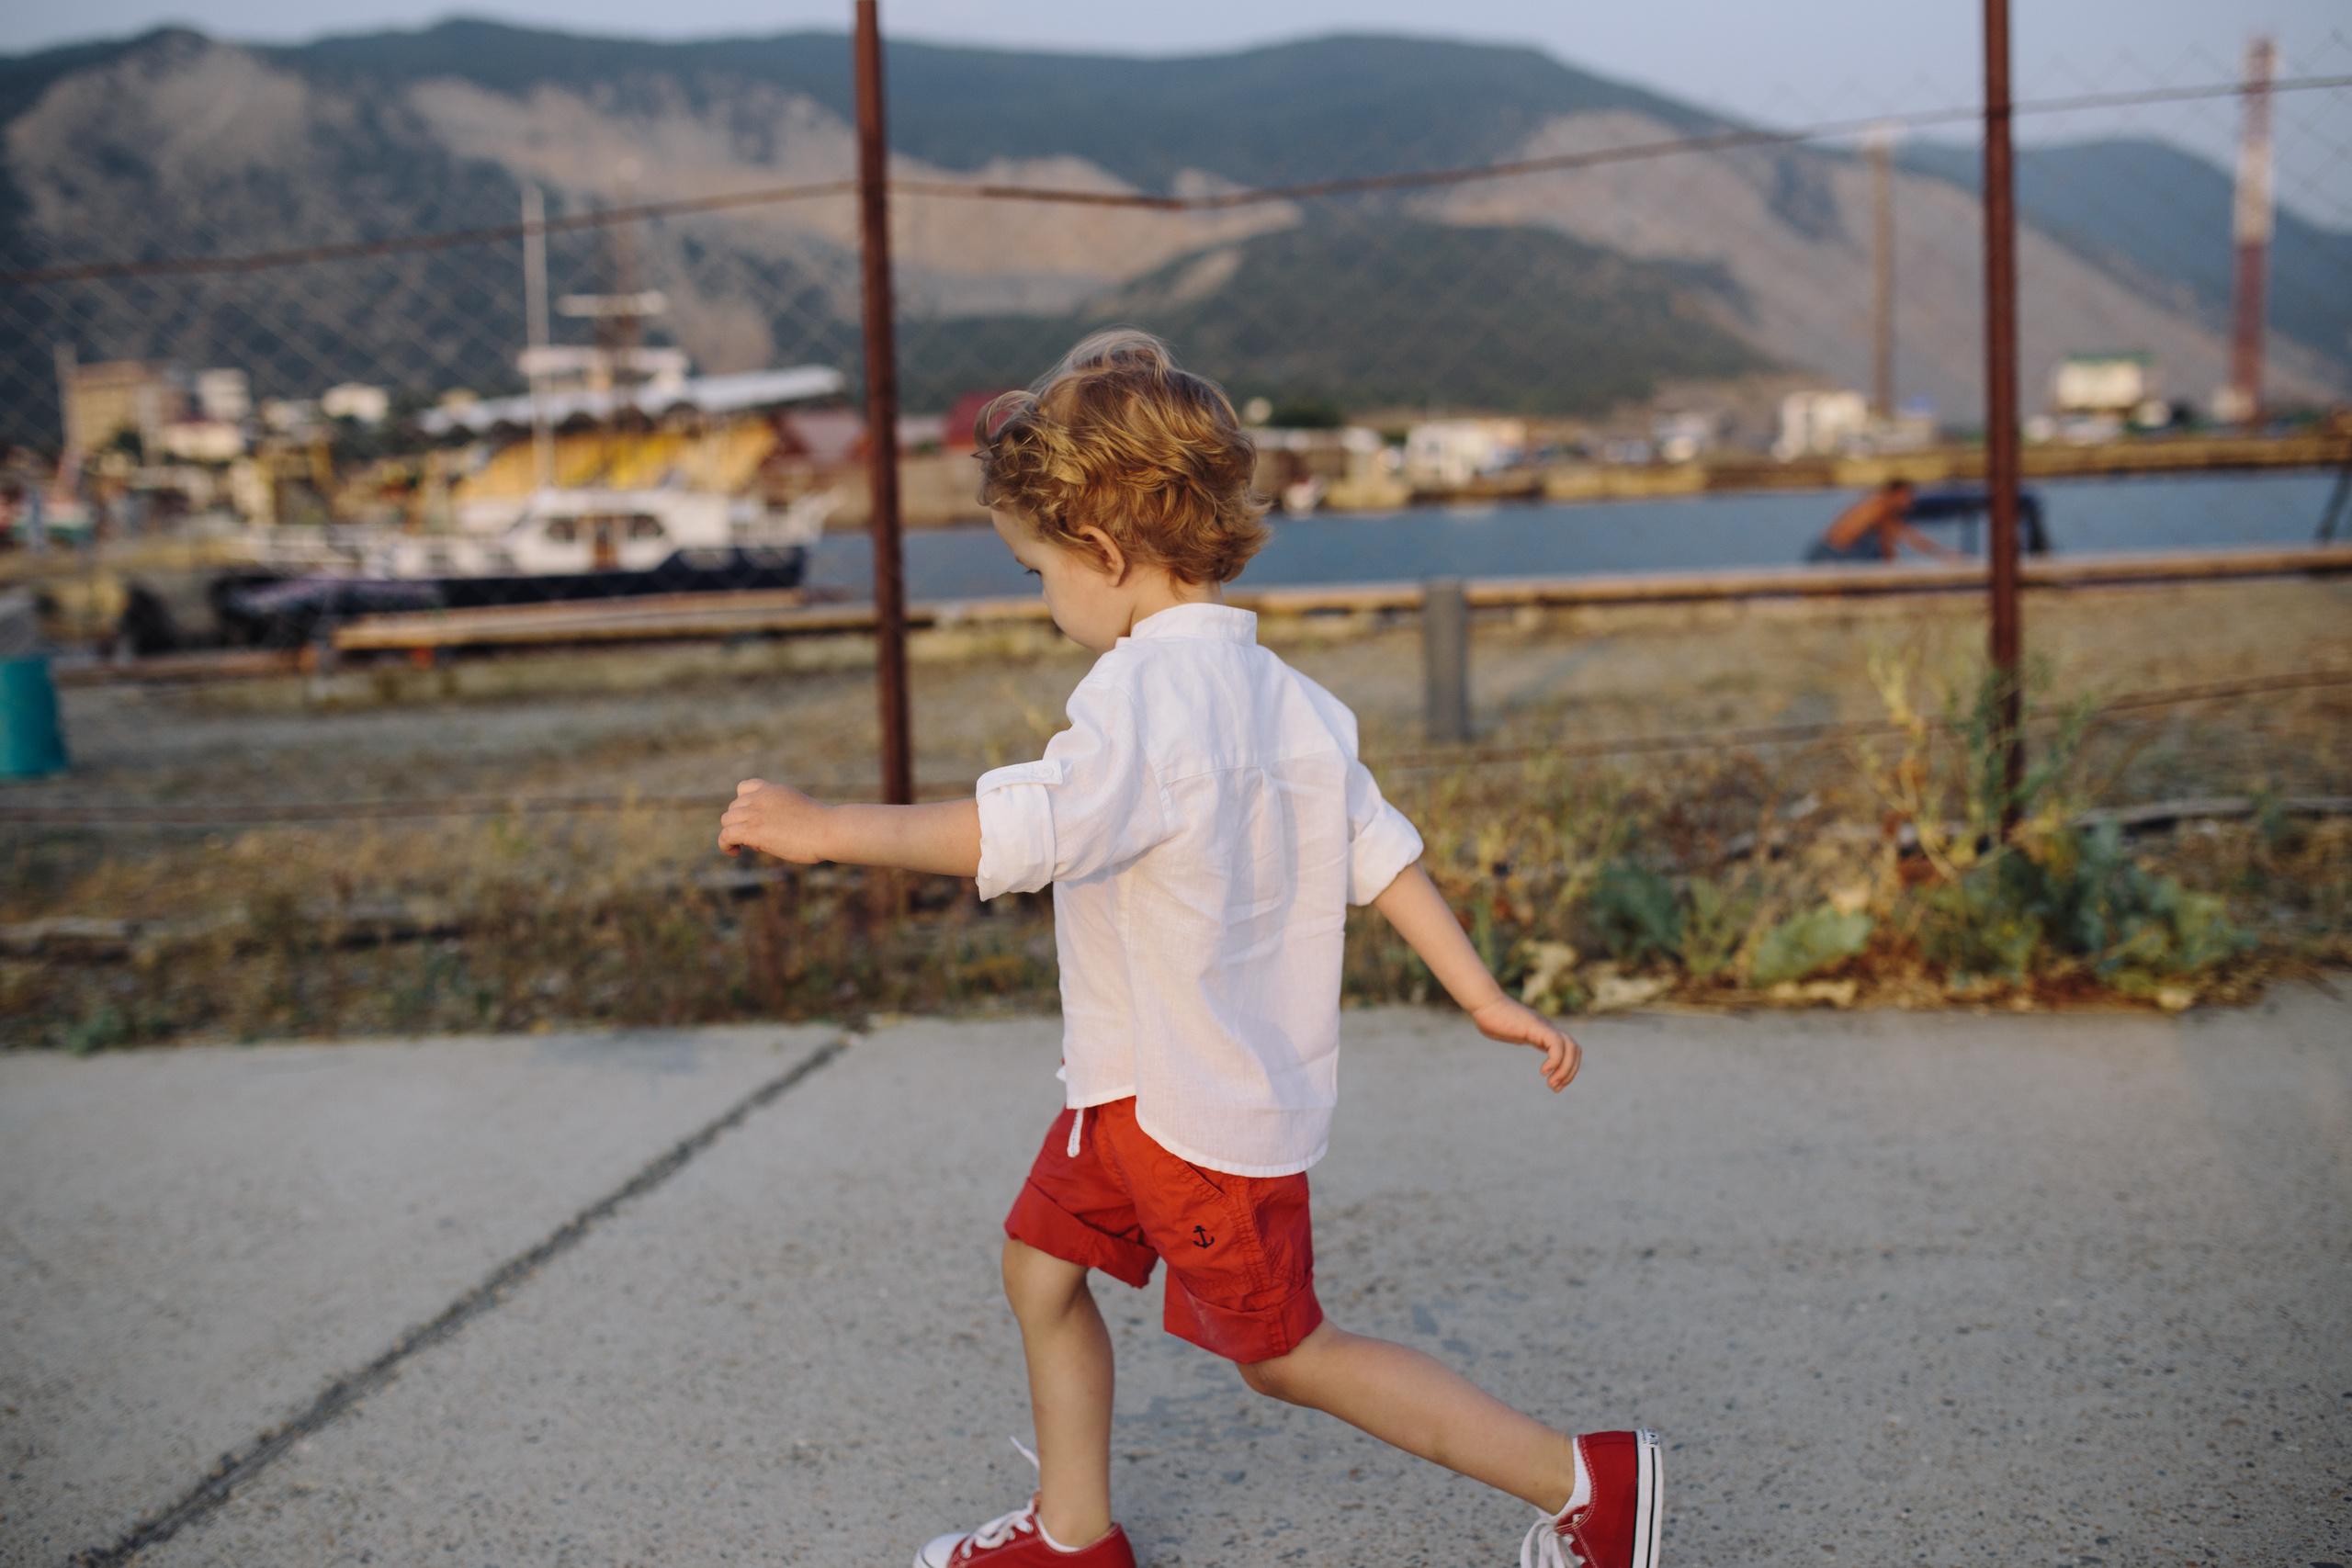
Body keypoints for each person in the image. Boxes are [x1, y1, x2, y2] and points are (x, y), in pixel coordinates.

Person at [718, 331, 1662, 1568]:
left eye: (1038, 567)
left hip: (1196, 1113)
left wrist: (829, 827)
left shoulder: (1136, 701)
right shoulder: (1294, 698)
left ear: (1105, 554)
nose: (1042, 593)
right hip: (1127, 1086)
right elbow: (1385, 856)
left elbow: (1025, 825)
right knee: (1041, 1266)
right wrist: (1479, 992)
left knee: (1284, 1356)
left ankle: (1583, 1480)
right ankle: (1073, 1535)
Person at [1805, 478, 1960, 563]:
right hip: (1831, 555)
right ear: (1896, 494)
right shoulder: (1881, 507)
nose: (1910, 501)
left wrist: (1945, 553)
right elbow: (1889, 544)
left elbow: (1910, 536)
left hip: (1829, 551)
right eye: (1907, 496)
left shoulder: (1879, 504)